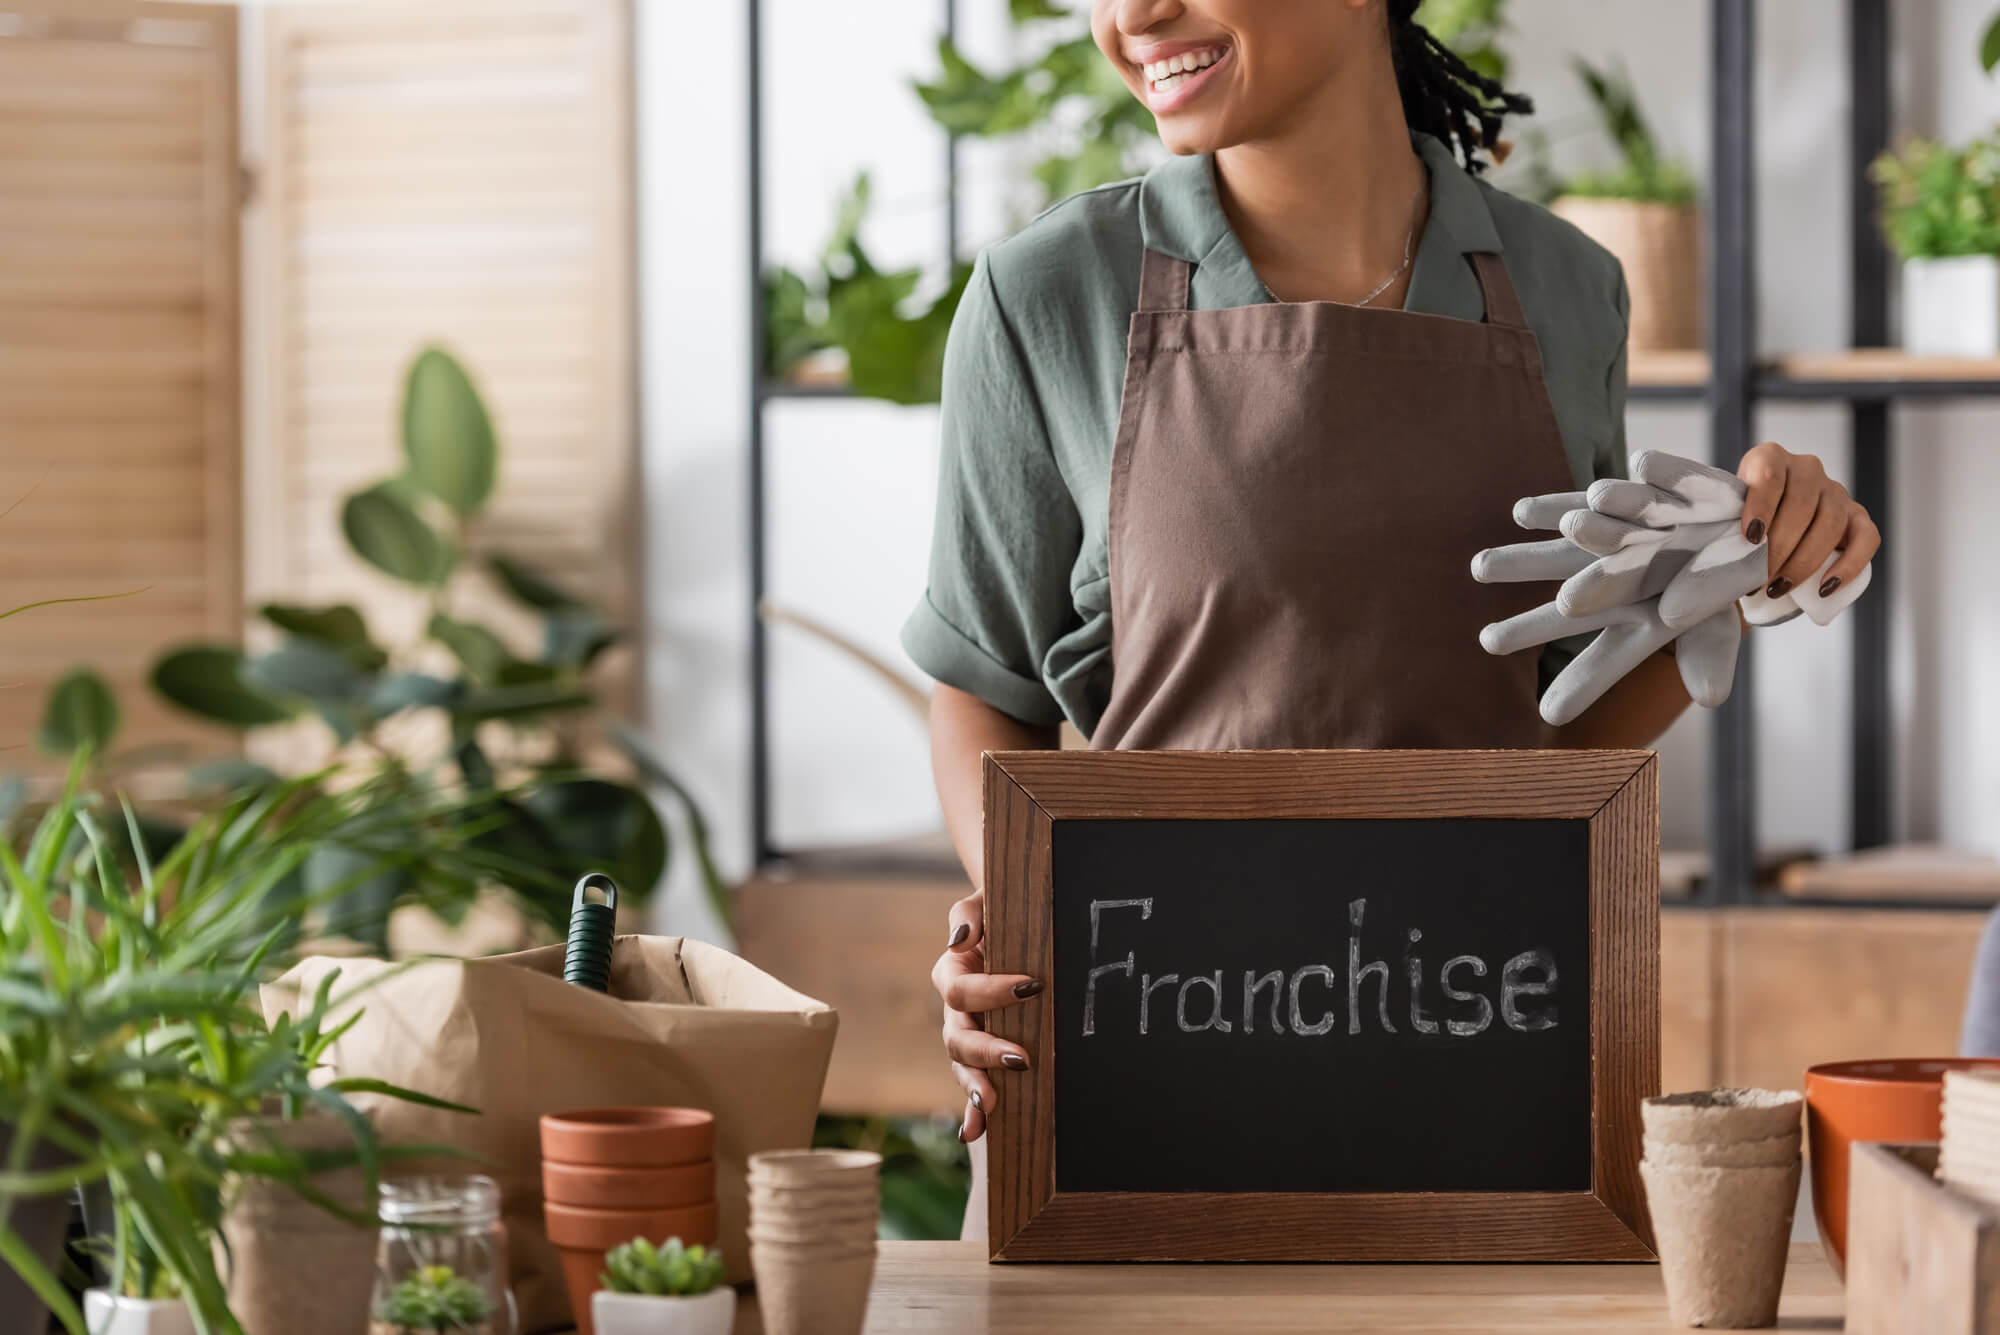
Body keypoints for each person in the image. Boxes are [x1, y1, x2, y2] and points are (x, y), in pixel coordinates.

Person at [900, 0, 1882, 1232]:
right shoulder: (1051, 291)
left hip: (1476, 1065)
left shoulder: (1565, 290)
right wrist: (1024, 923)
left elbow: (1544, 752)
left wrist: (1740, 573)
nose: (1131, 15)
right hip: (1140, 1076)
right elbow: (981, 678)